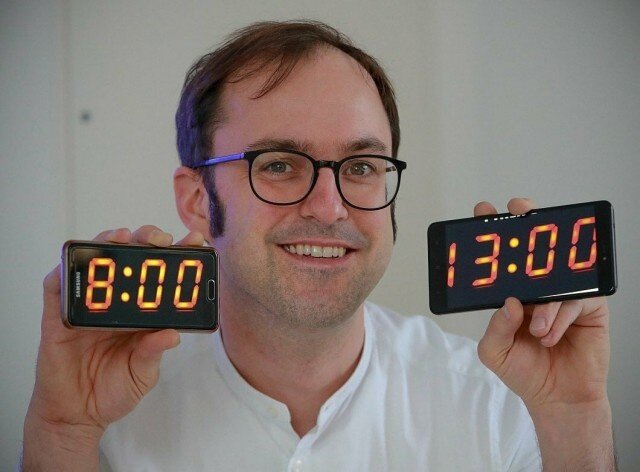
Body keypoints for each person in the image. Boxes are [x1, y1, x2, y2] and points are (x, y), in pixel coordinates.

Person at [22, 20, 615, 471]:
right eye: (279, 165)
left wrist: (575, 421)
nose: (329, 207)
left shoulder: (504, 407)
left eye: (360, 167)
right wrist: (63, 432)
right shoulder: (103, 417)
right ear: (198, 199)